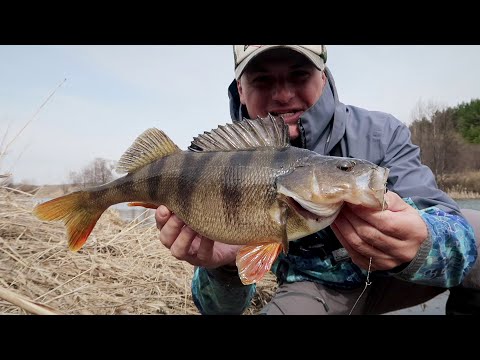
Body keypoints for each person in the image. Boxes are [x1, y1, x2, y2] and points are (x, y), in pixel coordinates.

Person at [156, 45, 479, 315]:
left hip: (402, 281)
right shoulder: (215, 162)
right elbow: (218, 311)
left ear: (323, 78)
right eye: (262, 80)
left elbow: (443, 215)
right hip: (313, 290)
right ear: (240, 89)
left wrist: (424, 243)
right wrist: (222, 268)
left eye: (299, 75)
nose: (282, 95)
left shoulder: (381, 132)